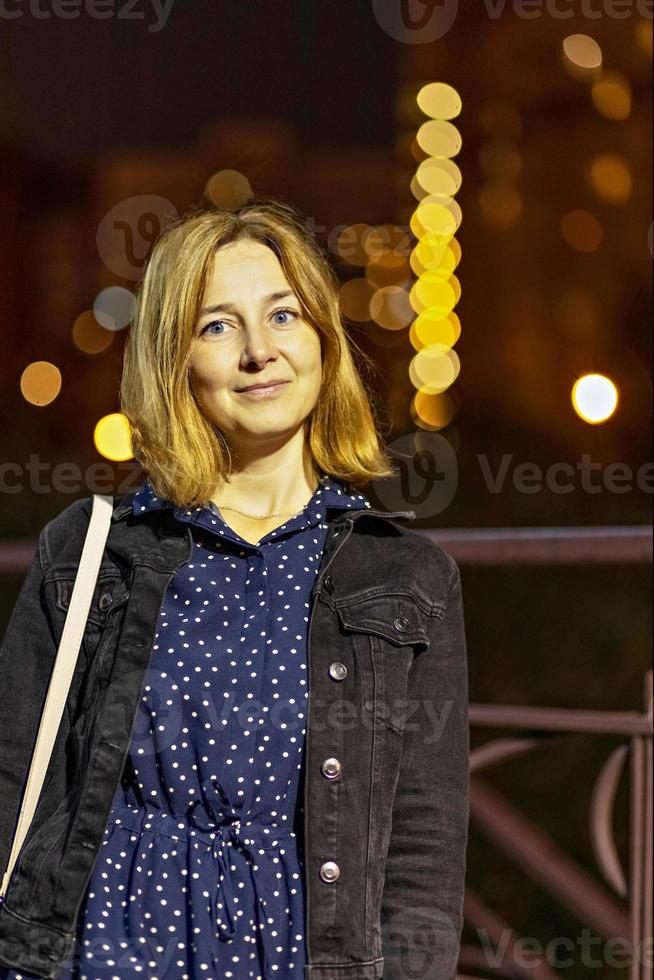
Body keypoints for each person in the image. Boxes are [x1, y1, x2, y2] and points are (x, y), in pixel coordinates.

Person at [0, 198, 470, 980]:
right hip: (106, 955)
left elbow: (422, 856)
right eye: (217, 326)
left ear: (323, 337)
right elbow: (13, 779)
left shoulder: (406, 579)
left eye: (284, 315)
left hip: (303, 954)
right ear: (173, 360)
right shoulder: (90, 551)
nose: (260, 351)